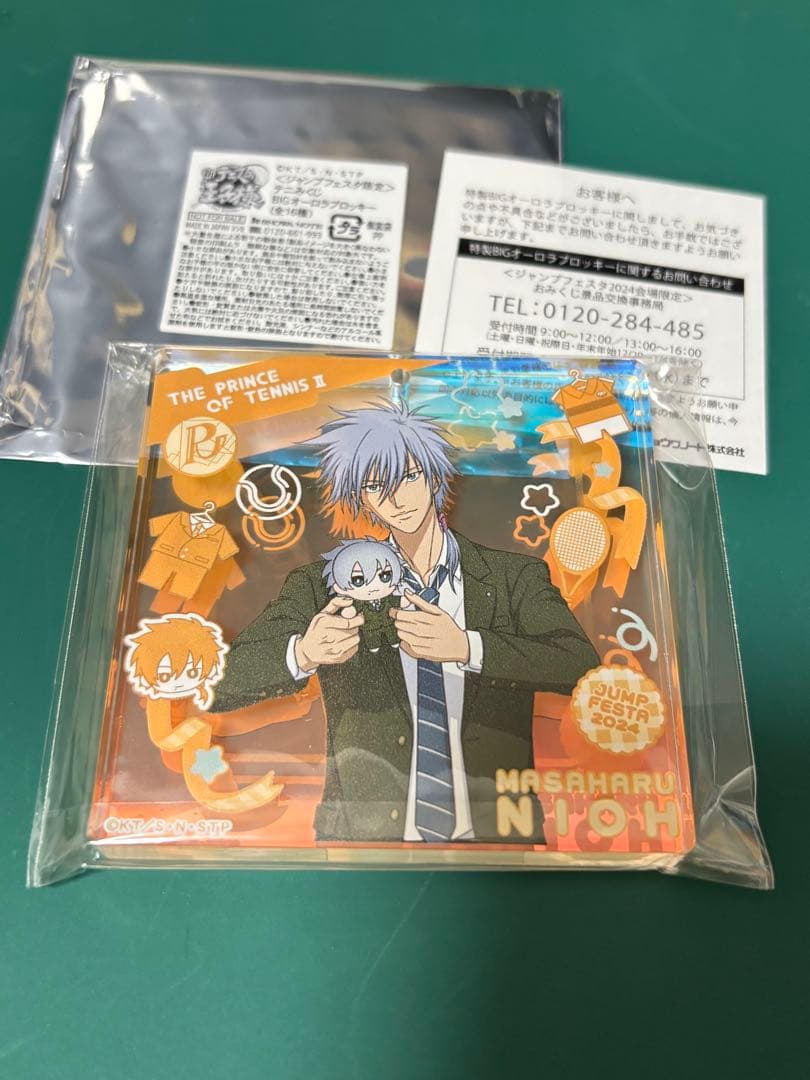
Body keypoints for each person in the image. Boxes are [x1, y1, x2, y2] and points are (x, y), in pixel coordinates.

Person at [212, 400, 599, 843]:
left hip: (498, 838)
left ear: (434, 477)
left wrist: (469, 647)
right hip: (363, 840)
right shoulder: (324, 584)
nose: (396, 499)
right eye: (376, 486)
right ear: (362, 498)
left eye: (409, 476)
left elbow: (581, 666)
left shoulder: (513, 577)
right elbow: (218, 685)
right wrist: (302, 653)